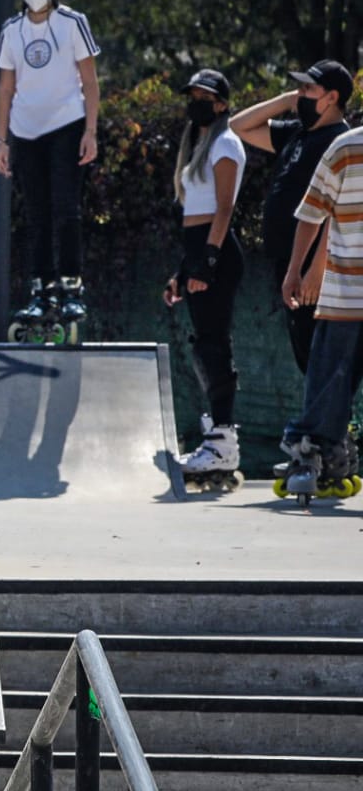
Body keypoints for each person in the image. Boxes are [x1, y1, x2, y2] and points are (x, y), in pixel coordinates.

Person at [0, 0, 101, 334]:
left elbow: (89, 81)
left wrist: (90, 131)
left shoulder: (72, 23)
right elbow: (6, 87)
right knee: (36, 213)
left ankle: (72, 284)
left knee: (66, 208)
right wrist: (2, 141)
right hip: (25, 131)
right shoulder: (12, 30)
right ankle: (42, 289)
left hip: (66, 125)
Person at [229, 60, 353, 374]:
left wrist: (314, 269)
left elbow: (338, 211)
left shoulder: (340, 140)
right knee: (306, 355)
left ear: (332, 98)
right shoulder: (297, 133)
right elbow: (239, 125)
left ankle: (326, 423)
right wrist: (288, 100)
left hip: (318, 268)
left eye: (309, 88)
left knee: (324, 358)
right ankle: (320, 421)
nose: (301, 94)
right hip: (289, 263)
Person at [163, 69, 246, 484]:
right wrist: (184, 271)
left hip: (217, 254)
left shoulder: (226, 143)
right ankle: (218, 433)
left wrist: (207, 264)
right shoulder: (196, 144)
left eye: (205, 96)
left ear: (222, 104)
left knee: (215, 345)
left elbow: (224, 210)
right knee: (204, 345)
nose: (196, 101)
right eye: (192, 94)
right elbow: (192, 218)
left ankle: (224, 439)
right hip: (199, 250)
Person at [279, 116, 363, 495]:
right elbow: (311, 213)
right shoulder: (345, 148)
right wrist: (295, 270)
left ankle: (321, 448)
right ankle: (314, 450)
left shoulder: (344, 146)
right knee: (330, 376)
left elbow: (312, 215)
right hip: (346, 292)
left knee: (331, 375)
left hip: (345, 291)